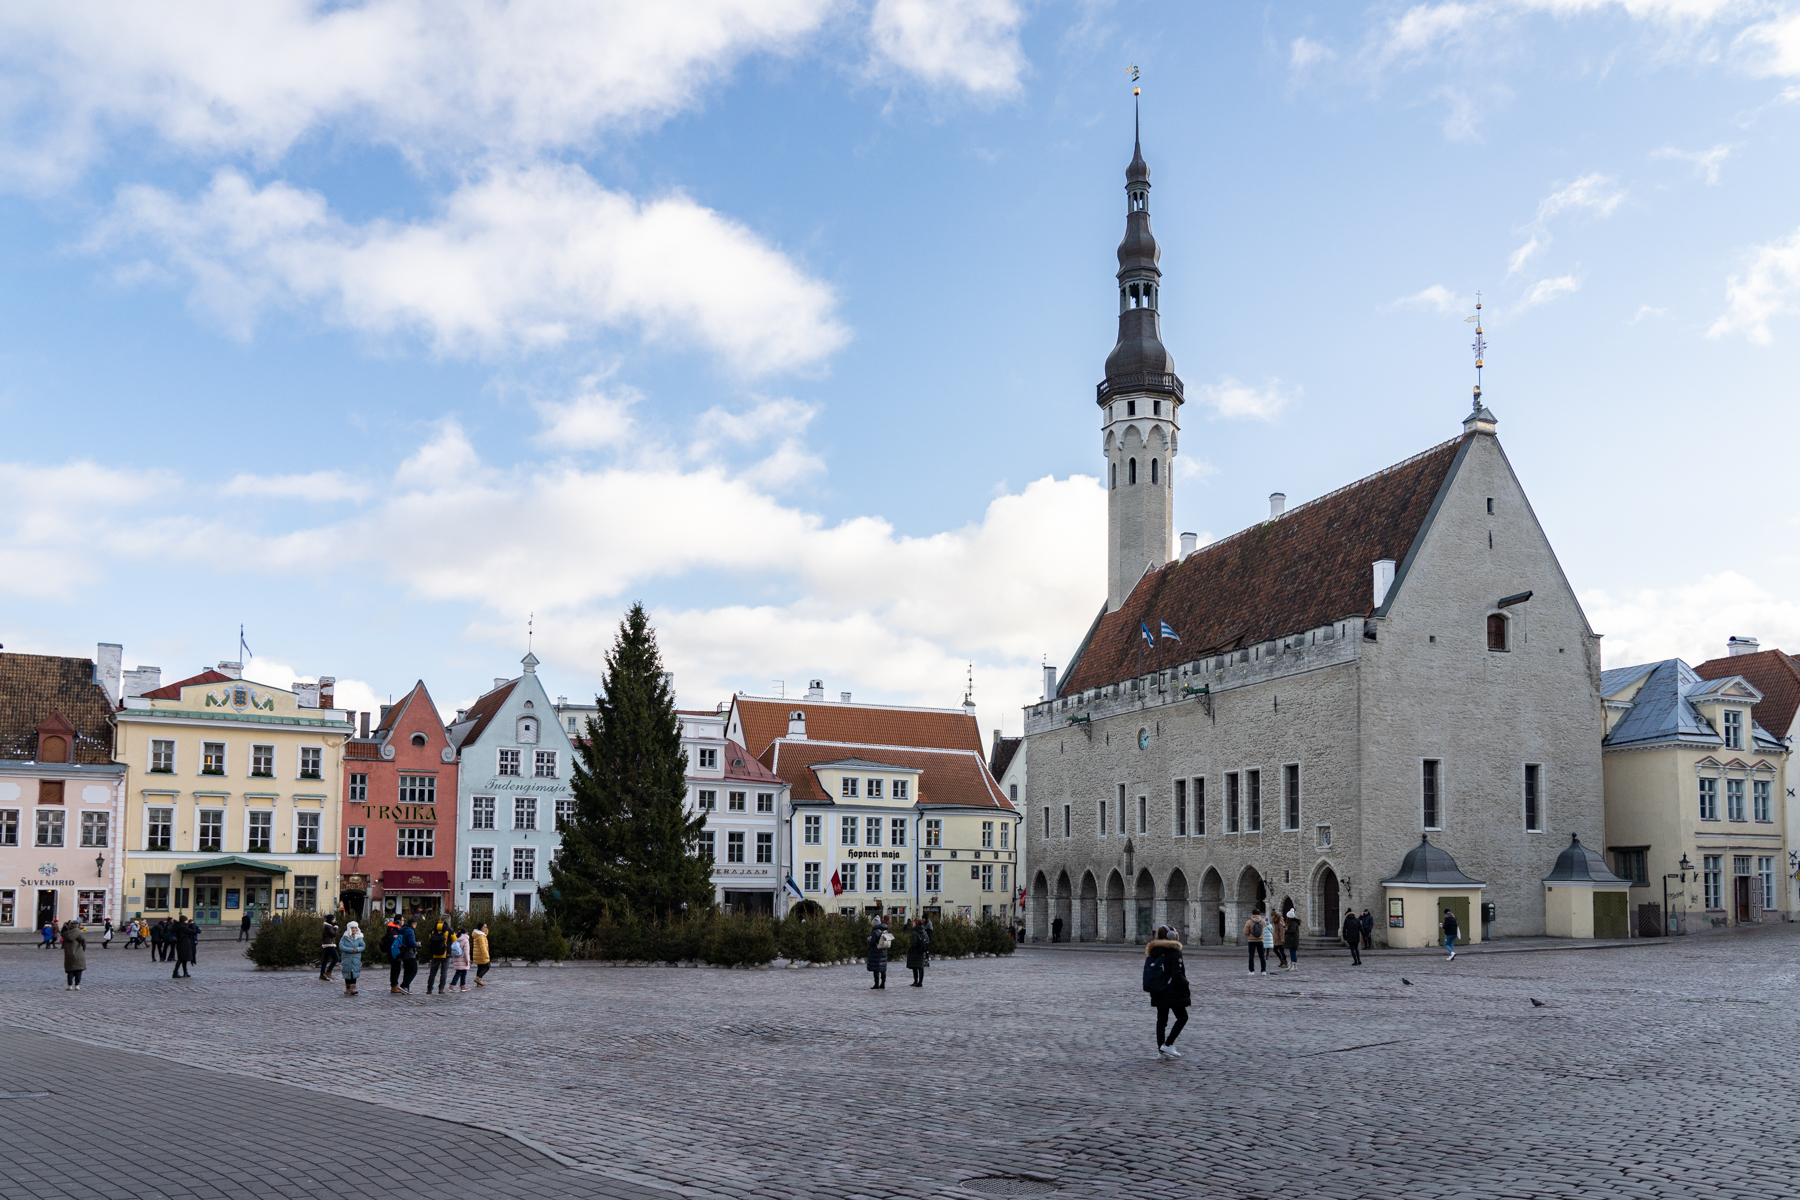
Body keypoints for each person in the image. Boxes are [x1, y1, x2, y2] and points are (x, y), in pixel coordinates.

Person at [1144, 925, 1190, 1058]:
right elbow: (1176, 975)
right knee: (1182, 1017)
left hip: (1158, 989)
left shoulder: (1155, 951)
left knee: (1161, 1020)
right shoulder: (1174, 952)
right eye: (1175, 931)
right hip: (1173, 991)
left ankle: (1161, 1050)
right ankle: (1168, 1045)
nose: (1177, 933)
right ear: (1171, 935)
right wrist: (1186, 984)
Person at [425, 915, 453, 994]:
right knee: (444, 972)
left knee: (432, 972)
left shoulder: (433, 930)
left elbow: (430, 938)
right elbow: (454, 939)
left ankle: (429, 989)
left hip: (435, 953)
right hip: (446, 953)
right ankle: (441, 989)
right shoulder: (449, 930)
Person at [338, 921, 365, 997]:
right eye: (352, 928)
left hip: (355, 958)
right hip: (347, 958)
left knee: (354, 972)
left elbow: (363, 946)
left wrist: (357, 949)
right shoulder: (345, 937)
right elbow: (341, 946)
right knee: (347, 972)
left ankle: (353, 988)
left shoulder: (359, 938)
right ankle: (348, 987)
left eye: (355, 928)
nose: (354, 929)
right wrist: (350, 950)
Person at [905, 916, 931, 987]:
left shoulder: (914, 932)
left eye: (914, 923)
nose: (913, 924)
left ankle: (916, 981)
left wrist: (910, 949)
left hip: (915, 952)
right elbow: (928, 940)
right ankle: (920, 982)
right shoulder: (924, 931)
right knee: (920, 967)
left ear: (916, 924)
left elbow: (913, 942)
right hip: (922, 951)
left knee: (915, 967)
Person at [396, 918, 420, 994]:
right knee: (413, 970)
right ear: (412, 924)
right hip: (409, 953)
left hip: (404, 953)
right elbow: (411, 943)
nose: (415, 926)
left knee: (407, 971)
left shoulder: (403, 930)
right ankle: (404, 985)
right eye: (415, 924)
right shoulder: (410, 931)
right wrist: (418, 944)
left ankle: (406, 988)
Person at [866, 918, 891, 990]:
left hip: (876, 951)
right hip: (884, 951)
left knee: (876, 969)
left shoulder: (875, 932)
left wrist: (869, 939)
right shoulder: (885, 931)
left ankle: (876, 984)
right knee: (883, 969)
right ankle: (883, 984)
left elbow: (872, 942)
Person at [62, 919, 87, 989]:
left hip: (68, 954)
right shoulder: (79, 932)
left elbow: (63, 944)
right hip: (78, 953)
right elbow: (83, 941)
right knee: (78, 969)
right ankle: (77, 985)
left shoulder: (66, 933)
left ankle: (69, 985)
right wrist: (83, 949)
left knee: (70, 970)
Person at [383, 914, 405, 992]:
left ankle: (395, 985)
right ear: (398, 921)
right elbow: (395, 942)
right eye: (402, 920)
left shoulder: (396, 929)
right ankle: (394, 986)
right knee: (395, 969)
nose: (403, 922)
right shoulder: (393, 930)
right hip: (394, 953)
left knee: (396, 968)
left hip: (395, 952)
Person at [1243, 907, 1268, 974]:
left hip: (1251, 941)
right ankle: (1263, 970)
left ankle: (1251, 971)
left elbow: (1245, 932)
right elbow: (1264, 928)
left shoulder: (1249, 922)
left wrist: (1249, 934)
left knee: (1251, 956)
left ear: (1252, 914)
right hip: (1260, 940)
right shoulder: (1262, 921)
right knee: (1262, 956)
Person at [319, 913, 340, 982]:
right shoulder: (328, 927)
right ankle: (328, 971)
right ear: (331, 920)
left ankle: (322, 974)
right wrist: (336, 928)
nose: (335, 920)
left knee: (325, 960)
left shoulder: (328, 926)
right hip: (329, 944)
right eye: (334, 919)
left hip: (327, 944)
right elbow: (334, 934)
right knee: (336, 958)